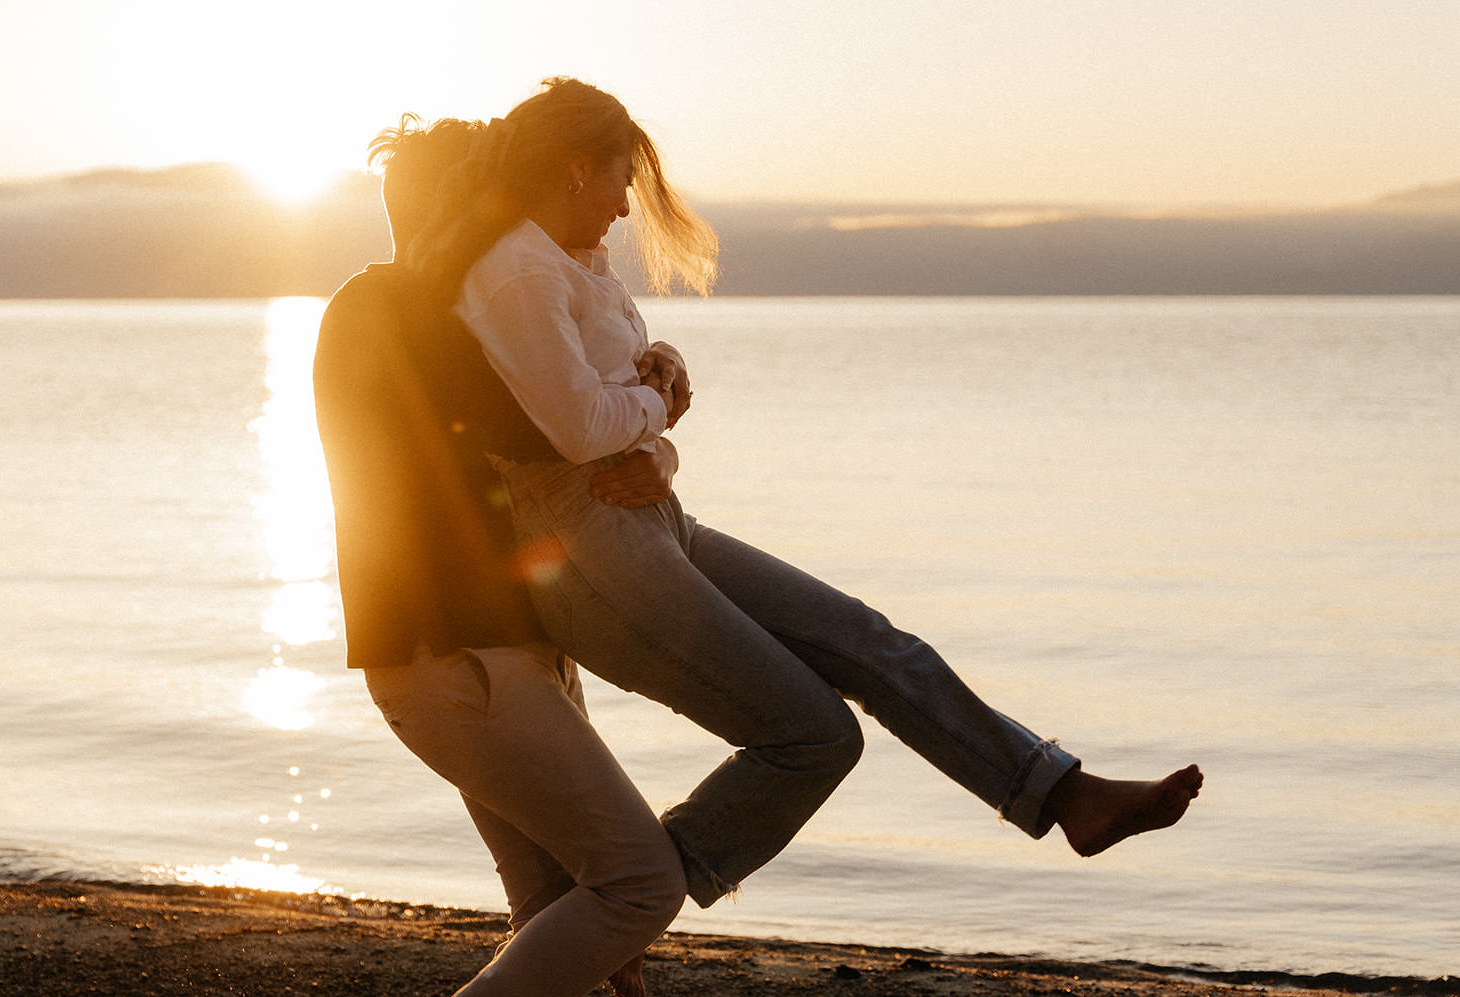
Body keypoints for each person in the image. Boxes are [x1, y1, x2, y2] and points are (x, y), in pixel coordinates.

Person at [400, 78, 1204, 916]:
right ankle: (621, 898)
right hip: (588, 544)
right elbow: (576, 428)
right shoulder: (515, 269)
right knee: (816, 734)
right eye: (620, 181)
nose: (626, 208)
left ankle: (1063, 796)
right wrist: (660, 407)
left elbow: (609, 403)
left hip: (647, 516)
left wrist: (661, 406)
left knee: (874, 644)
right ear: (573, 169)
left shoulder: (567, 260)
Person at [313, 117, 688, 997]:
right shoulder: (397, 312)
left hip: (496, 654)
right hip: (456, 659)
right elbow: (563, 432)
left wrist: (651, 426)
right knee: (641, 883)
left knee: (556, 912)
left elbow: (569, 435)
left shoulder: (417, 314)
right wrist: (661, 404)